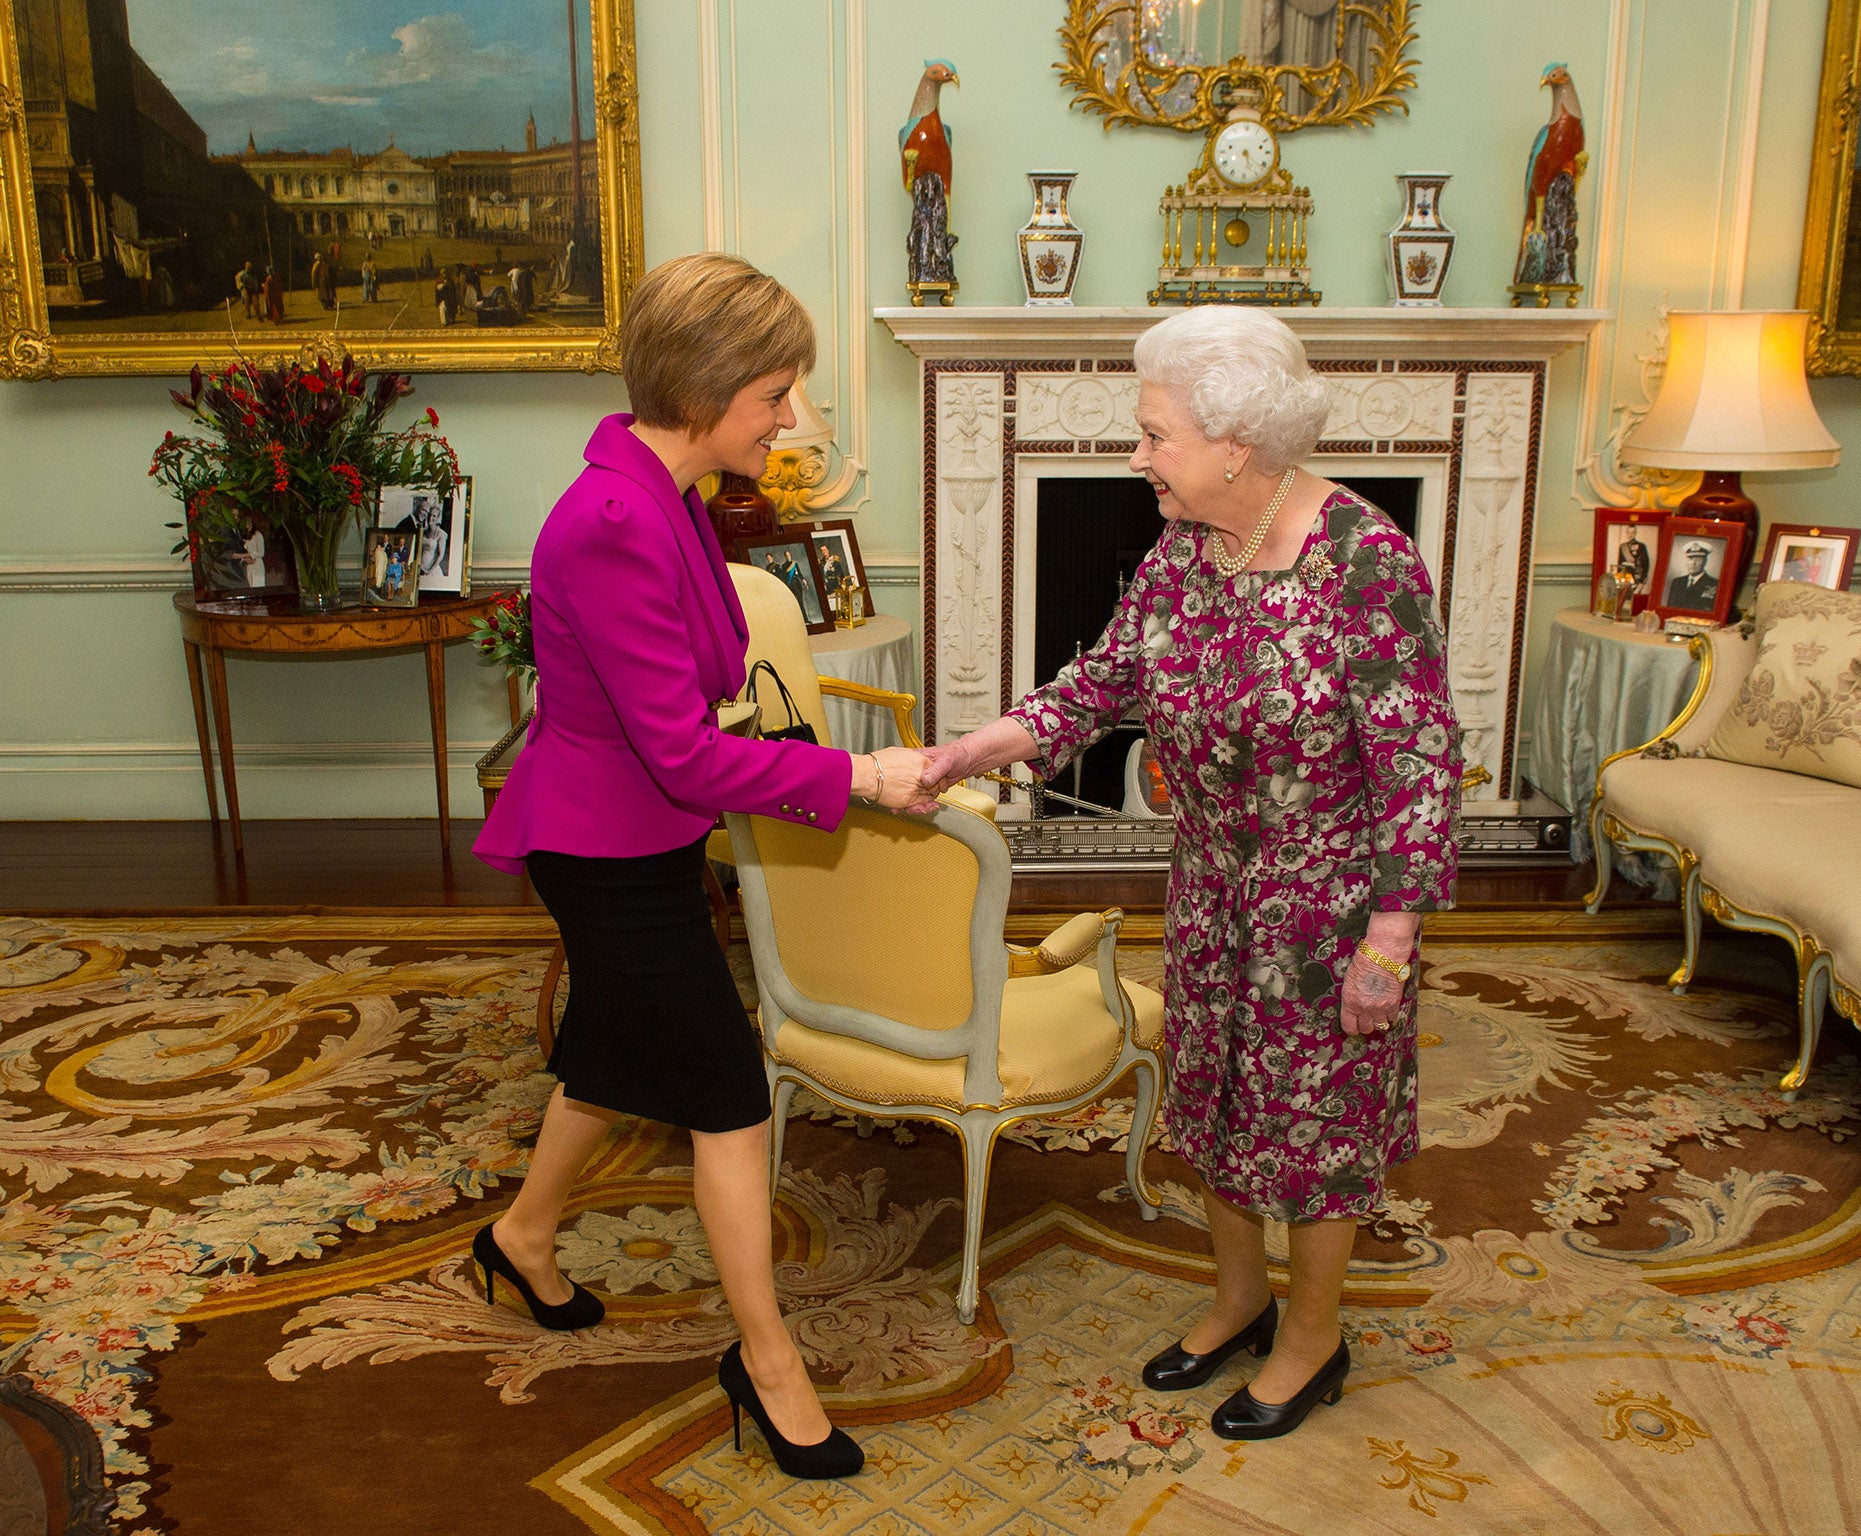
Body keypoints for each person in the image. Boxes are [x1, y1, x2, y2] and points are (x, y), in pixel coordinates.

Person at [917, 305, 1461, 1443]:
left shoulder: (1366, 562)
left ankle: (1312, 1338)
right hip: (1212, 888)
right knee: (1214, 1102)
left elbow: (1418, 767)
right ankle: (1237, 1299)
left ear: (1234, 443)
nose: (1135, 456)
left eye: (1152, 433)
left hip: (1332, 909)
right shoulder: (1183, 551)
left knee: (1312, 1130)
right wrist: (966, 751)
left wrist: (1389, 945)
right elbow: (1097, 686)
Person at [472, 252, 932, 1482]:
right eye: (774, 395)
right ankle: (766, 1362)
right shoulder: (617, 518)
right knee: (727, 1098)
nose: (786, 421)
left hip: (643, 831)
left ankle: (520, 1235)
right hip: (604, 844)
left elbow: (711, 671)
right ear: (706, 384)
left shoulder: (665, 485)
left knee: (614, 1052)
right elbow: (680, 753)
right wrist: (858, 779)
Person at [1664, 540, 1720, 609]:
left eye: (1698, 560)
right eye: (1690, 559)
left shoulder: (1714, 583)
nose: (1693, 563)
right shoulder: (1677, 582)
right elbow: (1670, 607)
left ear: (1705, 561)